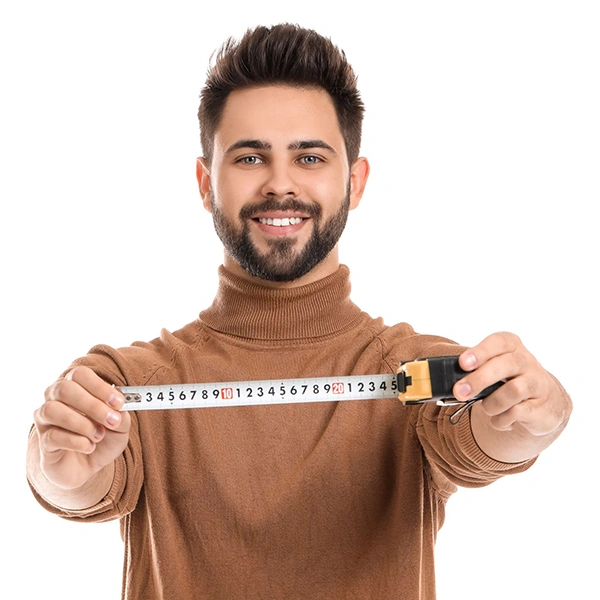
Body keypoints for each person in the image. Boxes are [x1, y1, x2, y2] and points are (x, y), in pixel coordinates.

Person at [26, 23, 572, 600]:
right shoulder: (125, 383)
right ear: (205, 182)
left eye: (309, 157)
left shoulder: (418, 373)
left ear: (354, 183)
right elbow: (79, 483)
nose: (280, 184)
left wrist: (538, 418)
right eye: (250, 157)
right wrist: (56, 468)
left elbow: (485, 441)